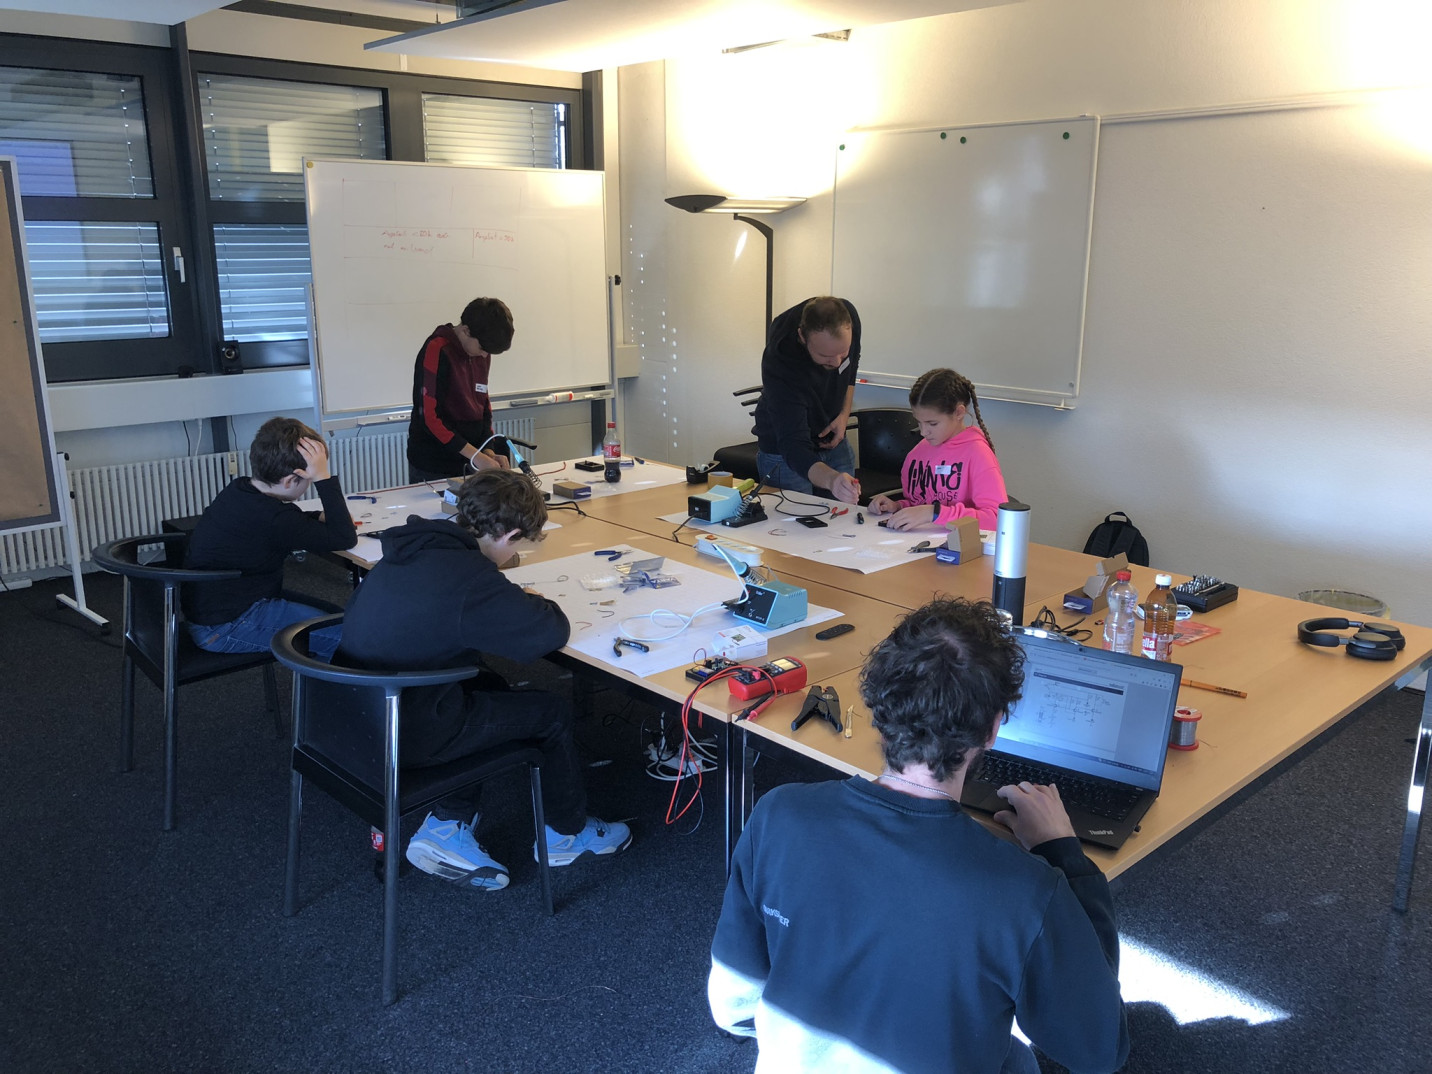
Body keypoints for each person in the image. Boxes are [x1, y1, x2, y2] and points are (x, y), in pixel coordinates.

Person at [709, 598, 1129, 1074]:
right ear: (992, 729)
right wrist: (1065, 857)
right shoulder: (1028, 892)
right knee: (1017, 1060)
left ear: (876, 707)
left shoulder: (777, 814)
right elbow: (1099, 1050)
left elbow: (734, 1008)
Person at [337, 469, 631, 890]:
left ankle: (449, 824)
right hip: (407, 728)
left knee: (488, 685)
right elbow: (548, 632)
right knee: (551, 713)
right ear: (510, 535)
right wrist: (528, 600)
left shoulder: (413, 548)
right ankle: (566, 834)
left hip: (351, 713)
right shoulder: (470, 579)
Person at [183, 417, 356, 663]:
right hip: (226, 626)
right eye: (309, 481)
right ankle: (342, 681)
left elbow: (282, 522)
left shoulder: (241, 489)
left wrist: (316, 515)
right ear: (289, 481)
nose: (309, 485)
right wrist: (324, 478)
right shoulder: (276, 519)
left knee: (337, 616)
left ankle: (324, 676)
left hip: (218, 610)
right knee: (349, 639)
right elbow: (344, 537)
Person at [868, 367, 1008, 532]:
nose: (923, 432)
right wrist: (898, 507)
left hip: (960, 544)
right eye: (919, 422)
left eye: (932, 423)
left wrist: (934, 513)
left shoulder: (978, 454)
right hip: (916, 541)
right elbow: (919, 504)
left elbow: (996, 520)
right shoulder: (918, 453)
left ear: (959, 412)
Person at [752, 296, 862, 504]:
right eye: (825, 356)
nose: (836, 362)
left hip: (832, 439)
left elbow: (852, 366)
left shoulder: (849, 316)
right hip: (785, 451)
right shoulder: (781, 360)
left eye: (842, 353)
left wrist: (843, 415)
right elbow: (793, 446)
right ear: (802, 337)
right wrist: (832, 480)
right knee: (798, 519)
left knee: (845, 516)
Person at [407, 296, 516, 483]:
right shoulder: (437, 349)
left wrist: (488, 450)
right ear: (466, 330)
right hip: (435, 464)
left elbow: (483, 405)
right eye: (482, 348)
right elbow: (430, 418)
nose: (485, 355)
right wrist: (476, 456)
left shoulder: (481, 351)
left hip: (471, 459)